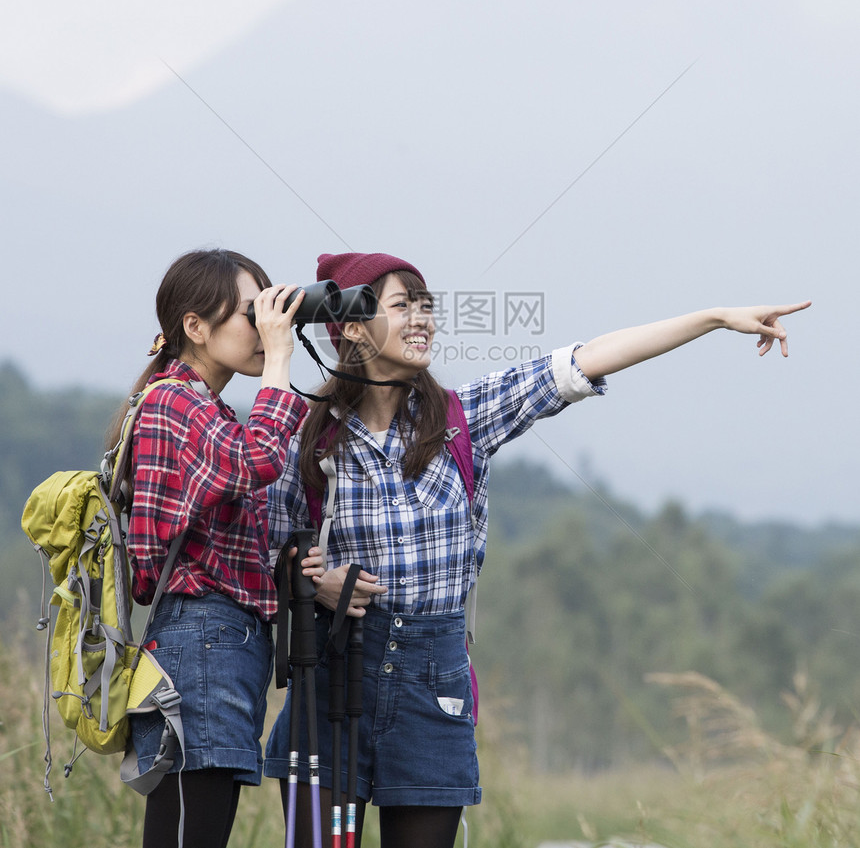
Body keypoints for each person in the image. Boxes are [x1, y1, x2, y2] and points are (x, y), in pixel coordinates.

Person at [264, 250, 810, 848]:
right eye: (401, 306)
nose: (422, 320)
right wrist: (315, 581)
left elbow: (584, 360)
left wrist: (714, 317)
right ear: (351, 326)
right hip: (336, 674)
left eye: (427, 306)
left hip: (431, 685)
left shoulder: (461, 418)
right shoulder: (304, 432)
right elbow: (271, 548)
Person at [113, 248, 310, 848]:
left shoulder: (212, 410)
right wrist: (279, 358)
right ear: (195, 328)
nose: (264, 327)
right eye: (251, 313)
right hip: (199, 642)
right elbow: (258, 460)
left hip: (224, 647)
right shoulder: (175, 401)